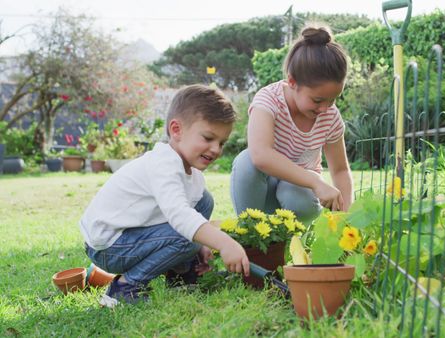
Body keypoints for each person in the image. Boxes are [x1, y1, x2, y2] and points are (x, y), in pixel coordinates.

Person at [79, 84, 249, 308]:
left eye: (222, 143)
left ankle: (180, 275)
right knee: (188, 234)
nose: (216, 149)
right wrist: (225, 243)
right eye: (208, 138)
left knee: (203, 201)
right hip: (109, 246)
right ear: (176, 130)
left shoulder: (193, 174)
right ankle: (125, 287)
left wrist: (200, 247)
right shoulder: (164, 164)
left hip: (130, 237)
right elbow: (179, 217)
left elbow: (185, 213)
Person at [230, 26, 353, 224]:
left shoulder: (330, 117)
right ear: (292, 81)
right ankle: (250, 232)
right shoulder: (269, 100)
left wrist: (347, 219)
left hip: (298, 197)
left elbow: (340, 170)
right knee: (246, 162)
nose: (325, 108)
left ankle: (292, 239)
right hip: (263, 191)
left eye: (333, 100)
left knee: (294, 192)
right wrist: (315, 181)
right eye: (318, 100)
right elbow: (261, 155)